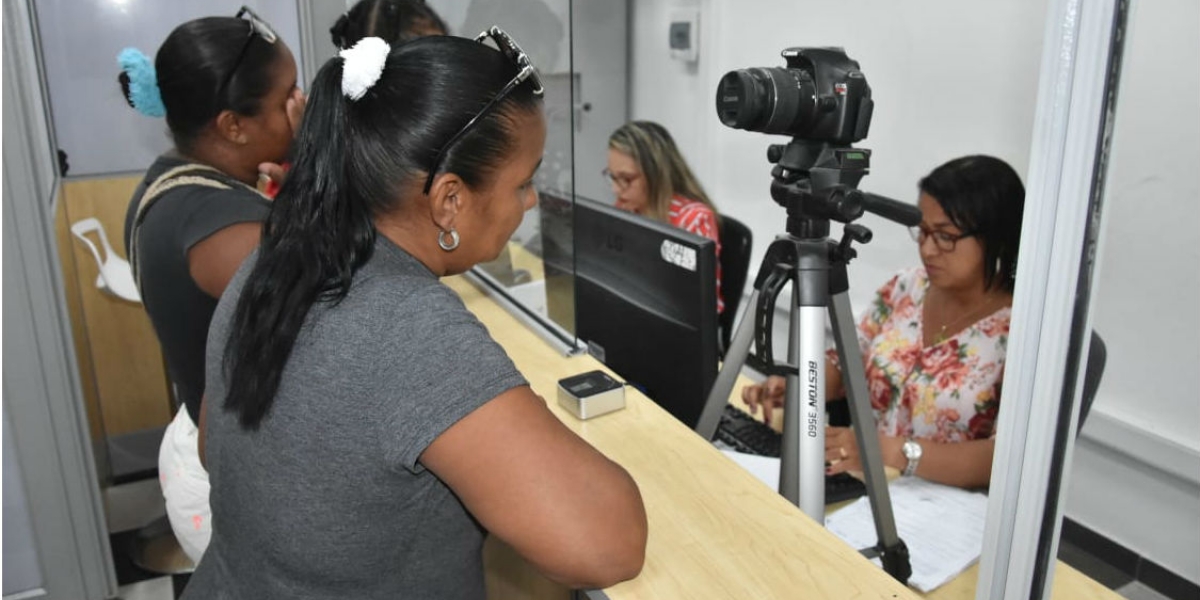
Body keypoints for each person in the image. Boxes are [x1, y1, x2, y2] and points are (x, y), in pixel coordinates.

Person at [184, 31, 647, 598]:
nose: (529, 202)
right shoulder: (405, 323)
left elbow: (216, 449)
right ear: (449, 199)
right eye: (523, 183)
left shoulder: (272, 262)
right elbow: (609, 545)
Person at [118, 7, 303, 563]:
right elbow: (349, 301)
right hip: (231, 489)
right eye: (286, 97)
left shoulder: (173, 182)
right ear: (233, 125)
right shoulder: (225, 227)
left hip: (200, 445)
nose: (300, 108)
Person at [742, 155, 1025, 490]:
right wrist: (800, 387)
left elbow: (1002, 459)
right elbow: (846, 363)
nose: (928, 250)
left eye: (945, 236)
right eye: (922, 232)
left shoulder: (1019, 333)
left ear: (996, 237)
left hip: (944, 506)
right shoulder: (906, 288)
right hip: (867, 480)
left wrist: (888, 451)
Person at [606, 120, 725, 312]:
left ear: (656, 174)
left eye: (626, 179)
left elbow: (692, 305)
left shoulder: (694, 220)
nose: (615, 189)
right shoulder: (628, 208)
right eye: (612, 177)